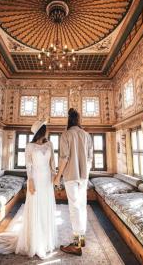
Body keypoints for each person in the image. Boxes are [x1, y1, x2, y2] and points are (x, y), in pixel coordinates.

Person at [0, 120, 57, 259]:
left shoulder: (50, 144)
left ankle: (46, 240)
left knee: (45, 207)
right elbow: (28, 166)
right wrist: (30, 181)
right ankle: (34, 243)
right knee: (35, 208)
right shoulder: (29, 146)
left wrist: (54, 176)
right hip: (35, 178)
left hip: (47, 180)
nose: (47, 130)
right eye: (45, 128)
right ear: (42, 130)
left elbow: (53, 161)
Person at [54, 108, 93, 256]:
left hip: (71, 176)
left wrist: (58, 176)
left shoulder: (66, 135)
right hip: (83, 177)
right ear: (79, 120)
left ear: (68, 120)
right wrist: (85, 172)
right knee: (81, 208)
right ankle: (79, 241)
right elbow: (90, 159)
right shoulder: (87, 135)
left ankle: (77, 246)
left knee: (74, 210)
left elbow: (64, 158)